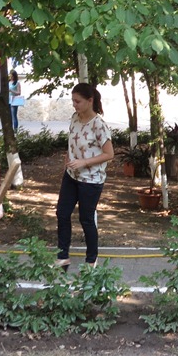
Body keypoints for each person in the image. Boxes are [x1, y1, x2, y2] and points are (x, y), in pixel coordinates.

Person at [56, 83, 114, 267]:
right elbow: (71, 143)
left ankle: (91, 260)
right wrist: (67, 161)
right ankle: (62, 257)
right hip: (71, 176)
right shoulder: (75, 117)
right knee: (62, 213)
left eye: (78, 101)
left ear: (90, 101)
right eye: (73, 101)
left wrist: (84, 162)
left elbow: (109, 154)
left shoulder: (99, 125)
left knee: (86, 219)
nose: (74, 105)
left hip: (91, 180)